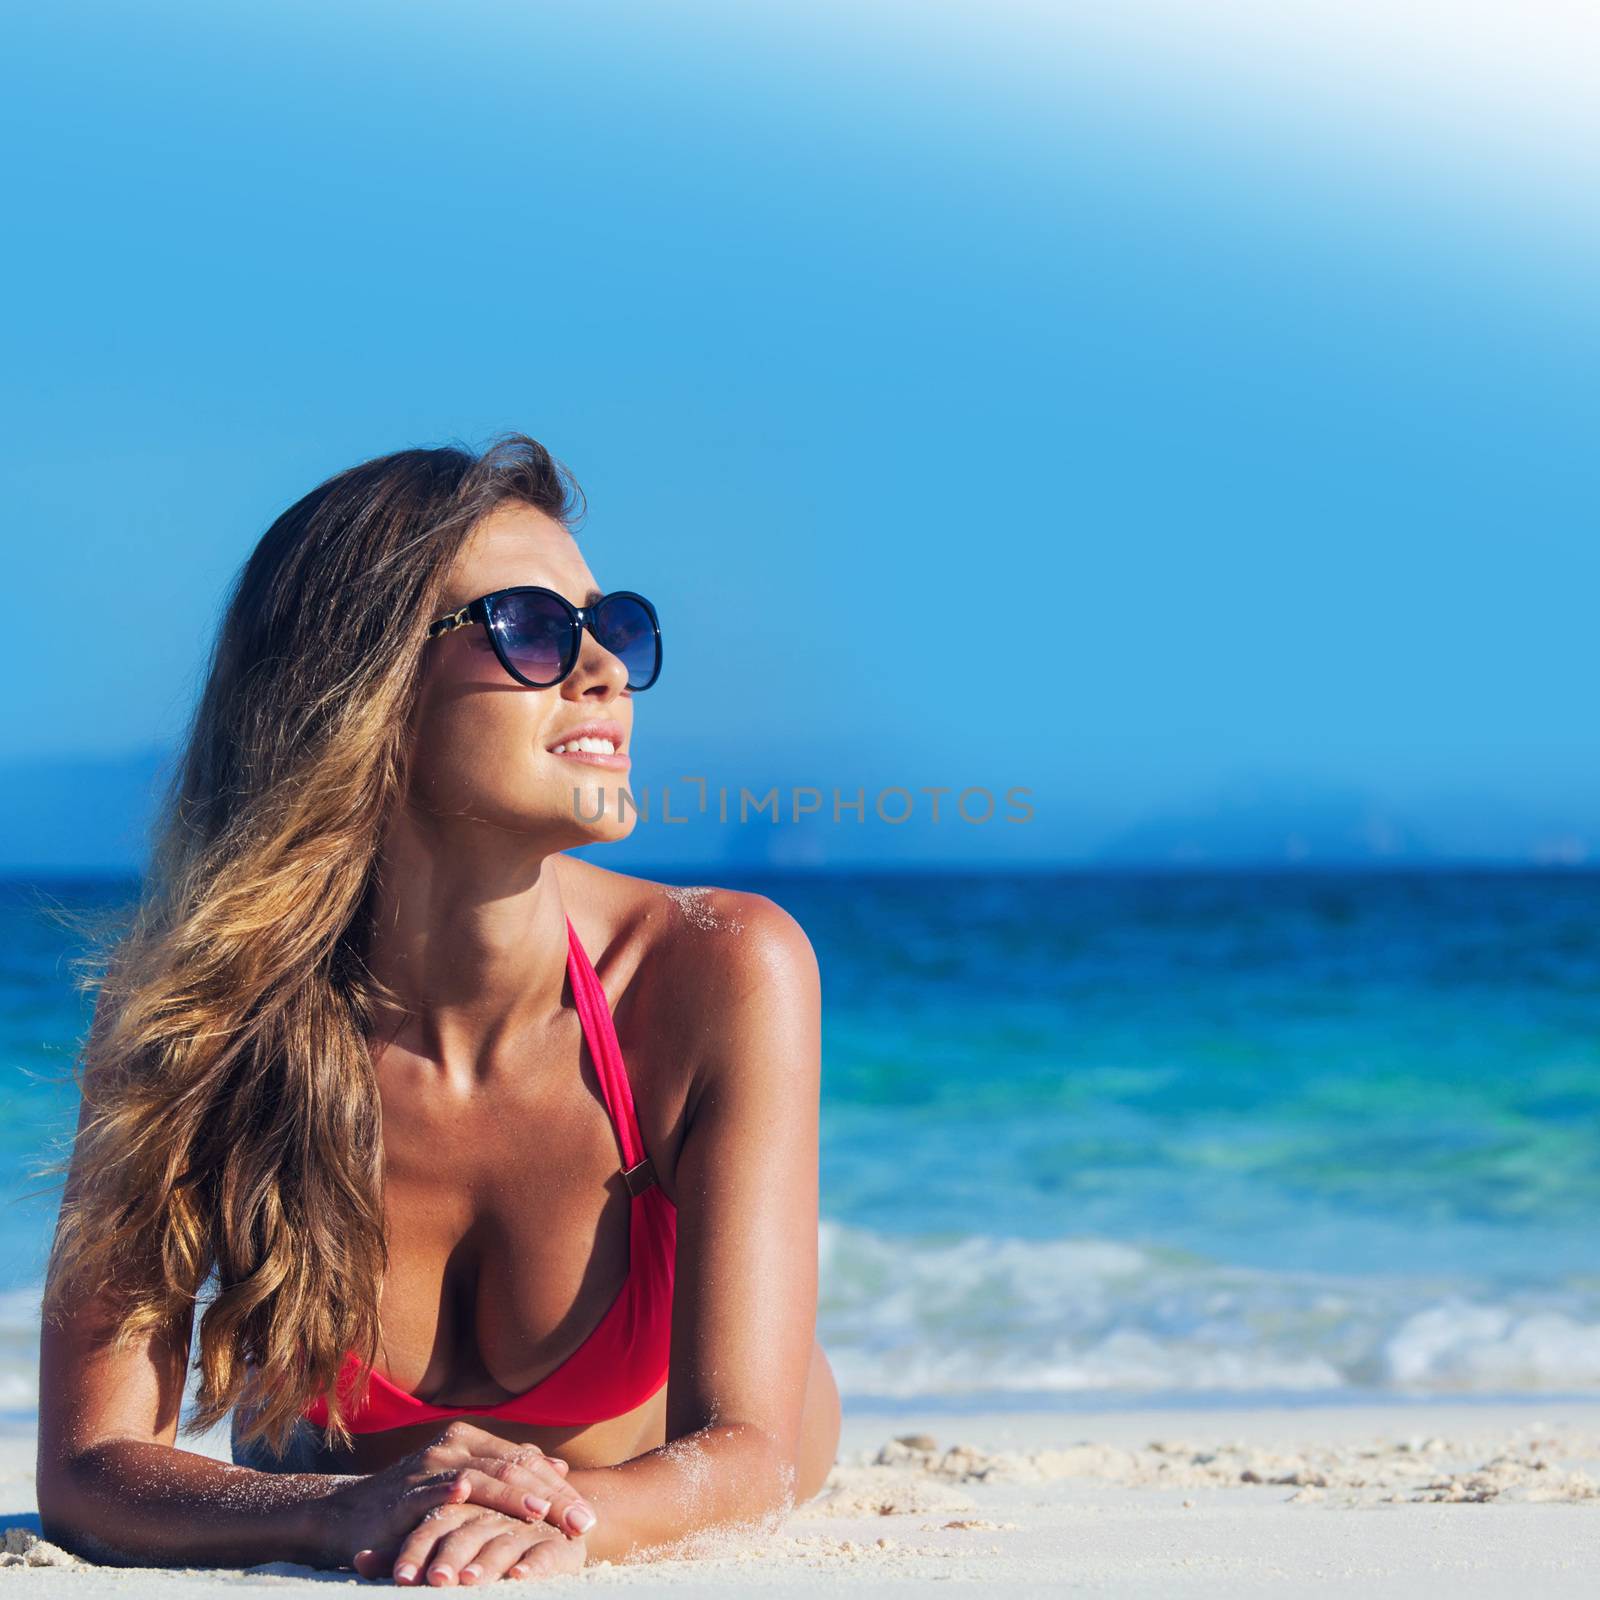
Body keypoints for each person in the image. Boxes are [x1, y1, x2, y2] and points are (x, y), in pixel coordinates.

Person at [35, 435, 839, 1583]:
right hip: (367, 1490)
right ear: (360, 688)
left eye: (614, 627)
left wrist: (562, 1522)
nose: (604, 669)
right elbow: (89, 1469)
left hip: (643, 1489)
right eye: (531, 629)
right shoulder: (200, 1016)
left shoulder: (714, 971)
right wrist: (331, 1513)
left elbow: (747, 1454)